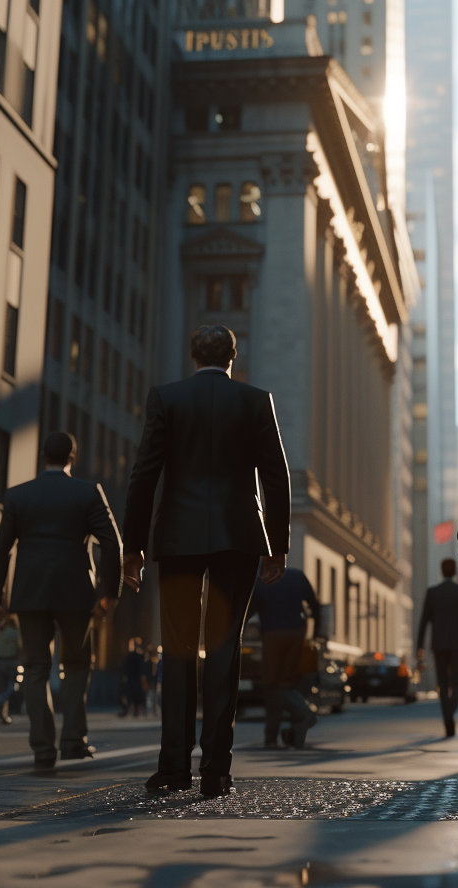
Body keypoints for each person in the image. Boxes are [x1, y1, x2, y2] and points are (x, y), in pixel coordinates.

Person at [123, 324, 290, 799]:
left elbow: (143, 475)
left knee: (176, 649)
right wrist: (277, 546)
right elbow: (276, 479)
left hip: (177, 537)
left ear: (193, 354)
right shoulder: (256, 401)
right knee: (225, 648)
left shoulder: (166, 398)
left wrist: (131, 548)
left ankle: (173, 767)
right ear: (233, 356)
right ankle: (216, 769)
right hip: (238, 538)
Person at [0, 431, 124, 768]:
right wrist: (109, 592)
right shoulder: (88, 492)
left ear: (42, 456)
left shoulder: (19, 496)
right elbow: (112, 543)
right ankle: (74, 741)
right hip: (75, 591)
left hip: (30, 593)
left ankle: (43, 747)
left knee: (35, 667)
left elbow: (0, 550)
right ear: (71, 457)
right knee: (77, 664)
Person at [248, 566, 321, 750]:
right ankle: (300, 724)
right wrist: (317, 635)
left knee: (272, 684)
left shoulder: (261, 579)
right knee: (288, 682)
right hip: (297, 632)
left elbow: (250, 609)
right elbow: (314, 605)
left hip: (272, 634)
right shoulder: (298, 576)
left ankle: (272, 737)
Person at [416, 558, 458, 738]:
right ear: (455, 571)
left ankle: (448, 718)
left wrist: (419, 646)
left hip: (439, 645)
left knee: (443, 684)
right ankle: (450, 712)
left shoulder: (432, 593)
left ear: (441, 571)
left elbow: (424, 621)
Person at [119, 638, 146, 717]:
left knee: (135, 695)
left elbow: (142, 667)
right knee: (129, 695)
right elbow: (126, 667)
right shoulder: (130, 656)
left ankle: (134, 711)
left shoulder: (139, 656)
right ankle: (128, 710)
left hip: (136, 678)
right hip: (131, 678)